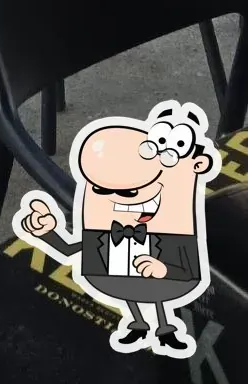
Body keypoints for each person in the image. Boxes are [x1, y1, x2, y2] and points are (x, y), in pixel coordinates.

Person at [13, 100, 220, 358]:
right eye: (101, 190)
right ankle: (138, 324)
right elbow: (68, 249)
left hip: (165, 286)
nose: (120, 200)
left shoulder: (177, 231)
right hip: (116, 283)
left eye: (131, 192)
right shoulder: (102, 230)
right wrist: (46, 232)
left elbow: (188, 268)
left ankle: (165, 330)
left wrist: (163, 268)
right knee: (130, 293)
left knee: (157, 296)